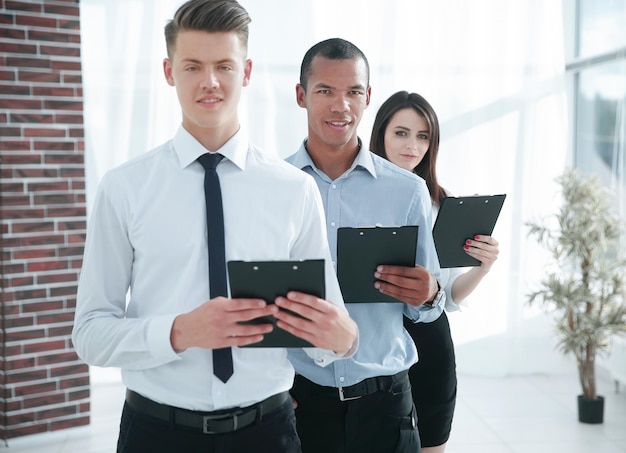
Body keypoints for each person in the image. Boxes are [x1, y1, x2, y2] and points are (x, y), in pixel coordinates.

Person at [71, 2, 358, 452]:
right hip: (155, 434)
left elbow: (328, 325)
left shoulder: (293, 190)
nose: (209, 81)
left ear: (245, 71)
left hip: (269, 432)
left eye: (223, 65)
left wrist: (343, 340)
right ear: (169, 71)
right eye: (193, 66)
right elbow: (89, 333)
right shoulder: (124, 188)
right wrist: (179, 332)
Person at [285, 38, 445, 453]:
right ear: (301, 95)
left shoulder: (408, 190)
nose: (341, 106)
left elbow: (426, 309)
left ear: (368, 97)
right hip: (300, 407)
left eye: (353, 91)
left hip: (385, 407)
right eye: (325, 91)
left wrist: (429, 294)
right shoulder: (273, 188)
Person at [370, 90, 500, 453]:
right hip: (372, 341)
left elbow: (449, 295)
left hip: (430, 342)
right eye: (401, 133)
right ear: (380, 134)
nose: (412, 145)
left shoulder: (441, 203)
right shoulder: (353, 196)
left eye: (423, 135)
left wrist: (483, 268)